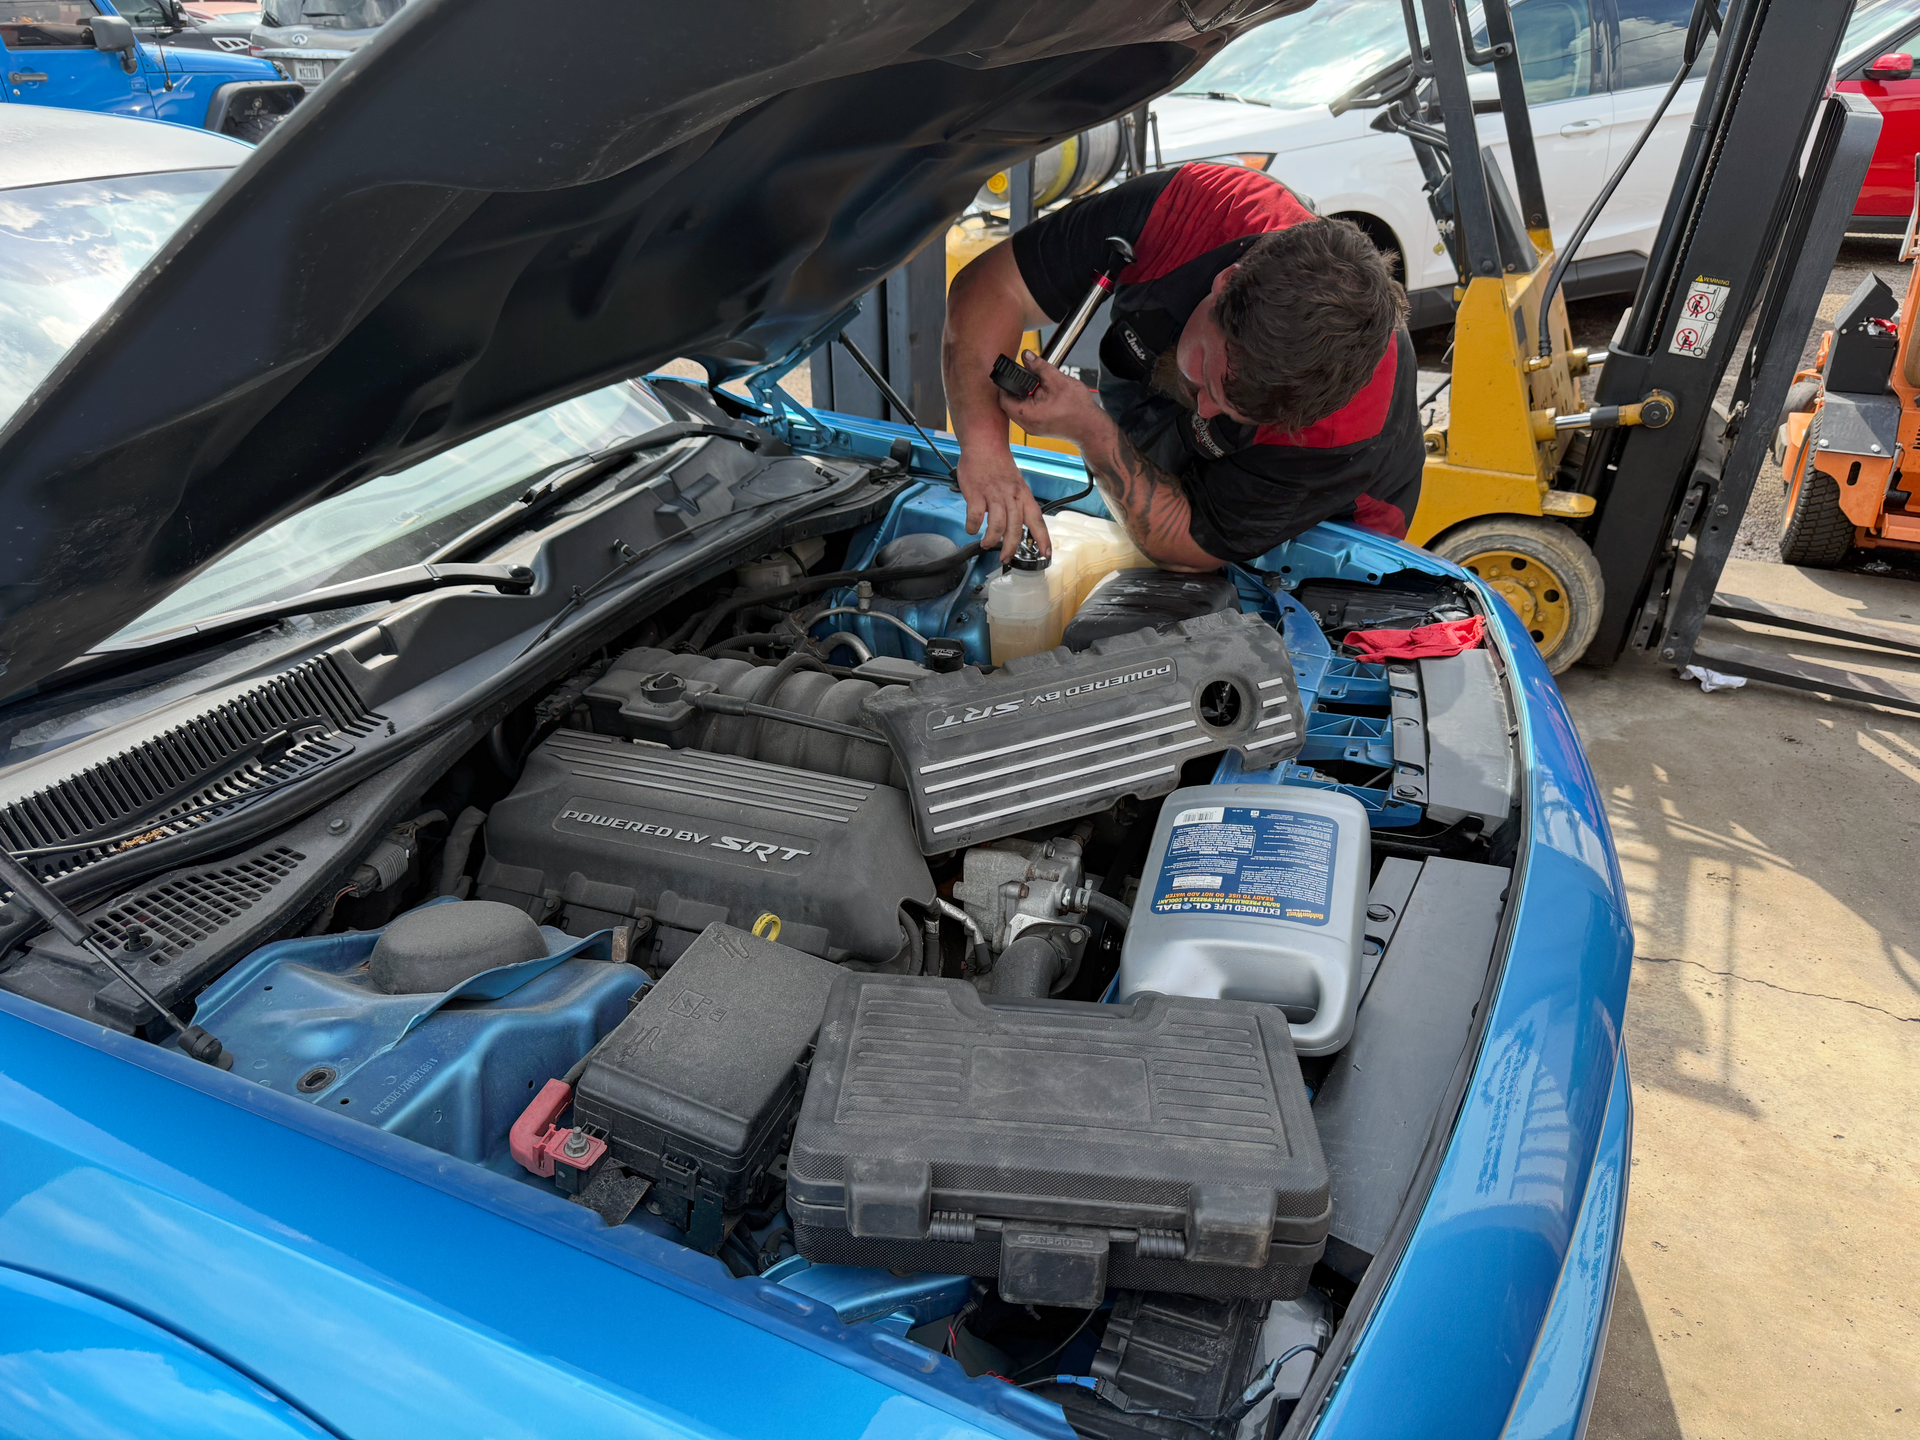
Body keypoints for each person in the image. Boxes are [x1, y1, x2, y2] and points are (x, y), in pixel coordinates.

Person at [942, 160, 1423, 568]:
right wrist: (986, 448)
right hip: (1156, 428)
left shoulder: (1343, 421)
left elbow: (1186, 542)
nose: (1205, 410)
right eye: (1209, 377)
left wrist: (1092, 431)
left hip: (1326, 543)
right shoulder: (1201, 210)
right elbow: (992, 288)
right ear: (1226, 280)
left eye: (1234, 414)